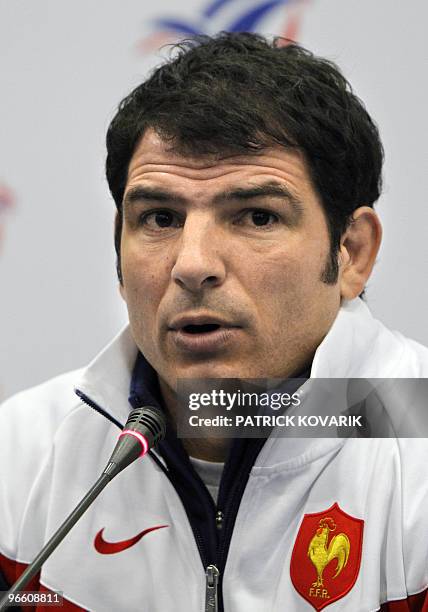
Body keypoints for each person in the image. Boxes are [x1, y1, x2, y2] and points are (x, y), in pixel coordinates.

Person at [1, 32, 427, 612]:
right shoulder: (22, 448)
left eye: (256, 216)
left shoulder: (417, 449)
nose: (193, 264)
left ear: (350, 251)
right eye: (159, 217)